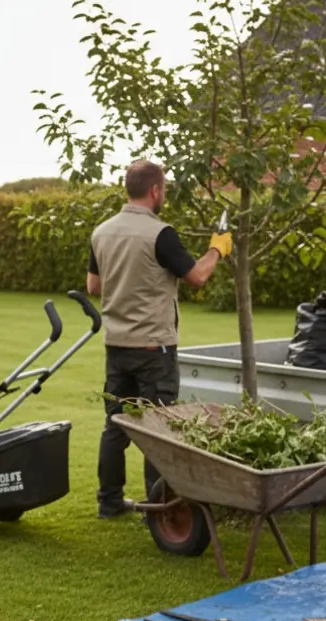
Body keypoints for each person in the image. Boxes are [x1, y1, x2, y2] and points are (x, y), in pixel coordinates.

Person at [87, 160, 232, 518]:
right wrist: (218, 249)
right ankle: (158, 508)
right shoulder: (160, 234)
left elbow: (93, 286)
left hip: (117, 346)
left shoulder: (102, 231)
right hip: (154, 349)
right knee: (159, 430)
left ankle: (109, 502)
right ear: (155, 191)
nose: (163, 194)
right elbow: (197, 277)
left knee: (116, 426)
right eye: (163, 188)